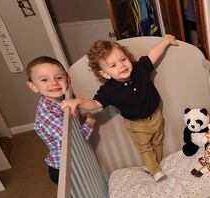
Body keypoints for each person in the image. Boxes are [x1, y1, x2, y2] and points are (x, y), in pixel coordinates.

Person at [62, 35, 177, 182]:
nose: (121, 65)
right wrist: (78, 102)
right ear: (105, 74)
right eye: (113, 65)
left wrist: (166, 41)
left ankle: (153, 165)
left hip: (156, 115)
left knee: (158, 142)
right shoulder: (109, 90)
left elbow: (152, 55)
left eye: (123, 59)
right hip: (137, 125)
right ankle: (156, 171)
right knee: (145, 147)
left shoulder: (139, 69)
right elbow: (95, 103)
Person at [26, 56, 95, 184]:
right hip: (63, 168)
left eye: (59, 77)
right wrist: (89, 122)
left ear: (68, 79)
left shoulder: (62, 100)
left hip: (74, 161)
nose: (54, 83)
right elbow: (74, 141)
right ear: (33, 86)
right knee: (78, 195)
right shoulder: (47, 113)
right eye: (44, 79)